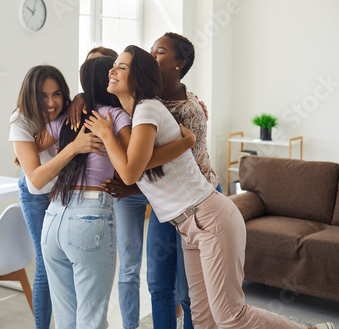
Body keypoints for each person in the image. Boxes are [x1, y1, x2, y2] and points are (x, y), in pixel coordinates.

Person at [84, 44, 334, 329]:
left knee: (230, 316)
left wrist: (106, 135)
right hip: (189, 227)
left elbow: (130, 172)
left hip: (209, 219)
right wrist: (184, 142)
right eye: (113, 65)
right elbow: (146, 164)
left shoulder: (147, 109)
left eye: (122, 67)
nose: (112, 70)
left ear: (138, 77)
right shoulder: (137, 116)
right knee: (203, 319)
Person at [39, 56, 195, 329]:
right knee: (92, 316)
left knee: (65, 316)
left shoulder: (66, 117)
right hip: (88, 217)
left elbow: (35, 141)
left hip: (52, 218)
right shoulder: (116, 117)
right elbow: (139, 161)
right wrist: (186, 141)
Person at [9, 65, 106, 329]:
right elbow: (37, 178)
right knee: (45, 266)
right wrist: (73, 148)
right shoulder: (21, 121)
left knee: (68, 266)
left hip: (65, 192)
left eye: (57, 94)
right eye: (43, 96)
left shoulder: (70, 110)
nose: (51, 102)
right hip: (38, 195)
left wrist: (81, 97)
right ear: (31, 95)